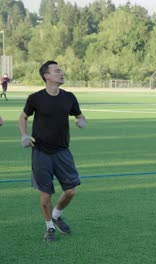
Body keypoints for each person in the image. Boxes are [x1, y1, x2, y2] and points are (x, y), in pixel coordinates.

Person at [18, 60, 87, 242]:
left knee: (71, 191)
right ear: (46, 76)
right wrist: (24, 136)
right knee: (45, 194)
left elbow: (80, 115)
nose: (61, 73)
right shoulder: (35, 98)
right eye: (57, 71)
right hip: (41, 152)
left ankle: (56, 215)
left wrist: (82, 122)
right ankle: (49, 227)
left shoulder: (69, 97)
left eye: (61, 70)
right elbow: (23, 117)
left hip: (62, 151)